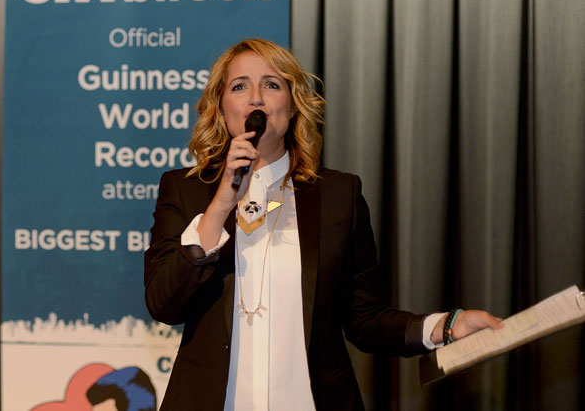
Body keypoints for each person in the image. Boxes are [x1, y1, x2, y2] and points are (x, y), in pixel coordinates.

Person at [143, 39, 502, 410]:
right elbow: (163, 304)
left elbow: (364, 317)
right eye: (239, 86)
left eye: (271, 84)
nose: (256, 99)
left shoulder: (338, 195)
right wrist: (220, 205)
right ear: (221, 106)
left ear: (293, 104)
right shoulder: (185, 191)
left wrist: (444, 327)